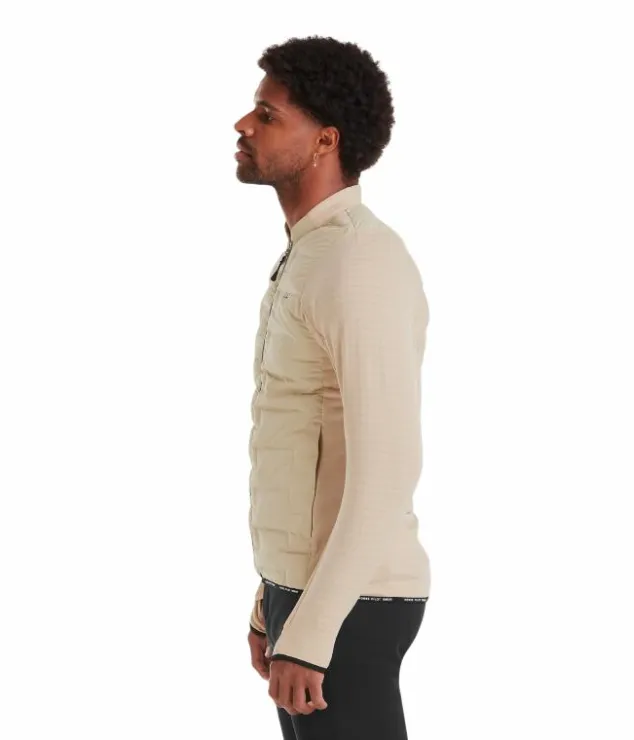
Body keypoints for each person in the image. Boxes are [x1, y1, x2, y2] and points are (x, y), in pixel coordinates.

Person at [233, 35, 430, 740]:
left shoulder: (359, 261)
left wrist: (313, 629)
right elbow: (305, 445)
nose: (243, 124)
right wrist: (273, 598)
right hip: (313, 594)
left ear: (326, 140)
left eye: (268, 115)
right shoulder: (313, 254)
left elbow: (387, 468)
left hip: (354, 604)